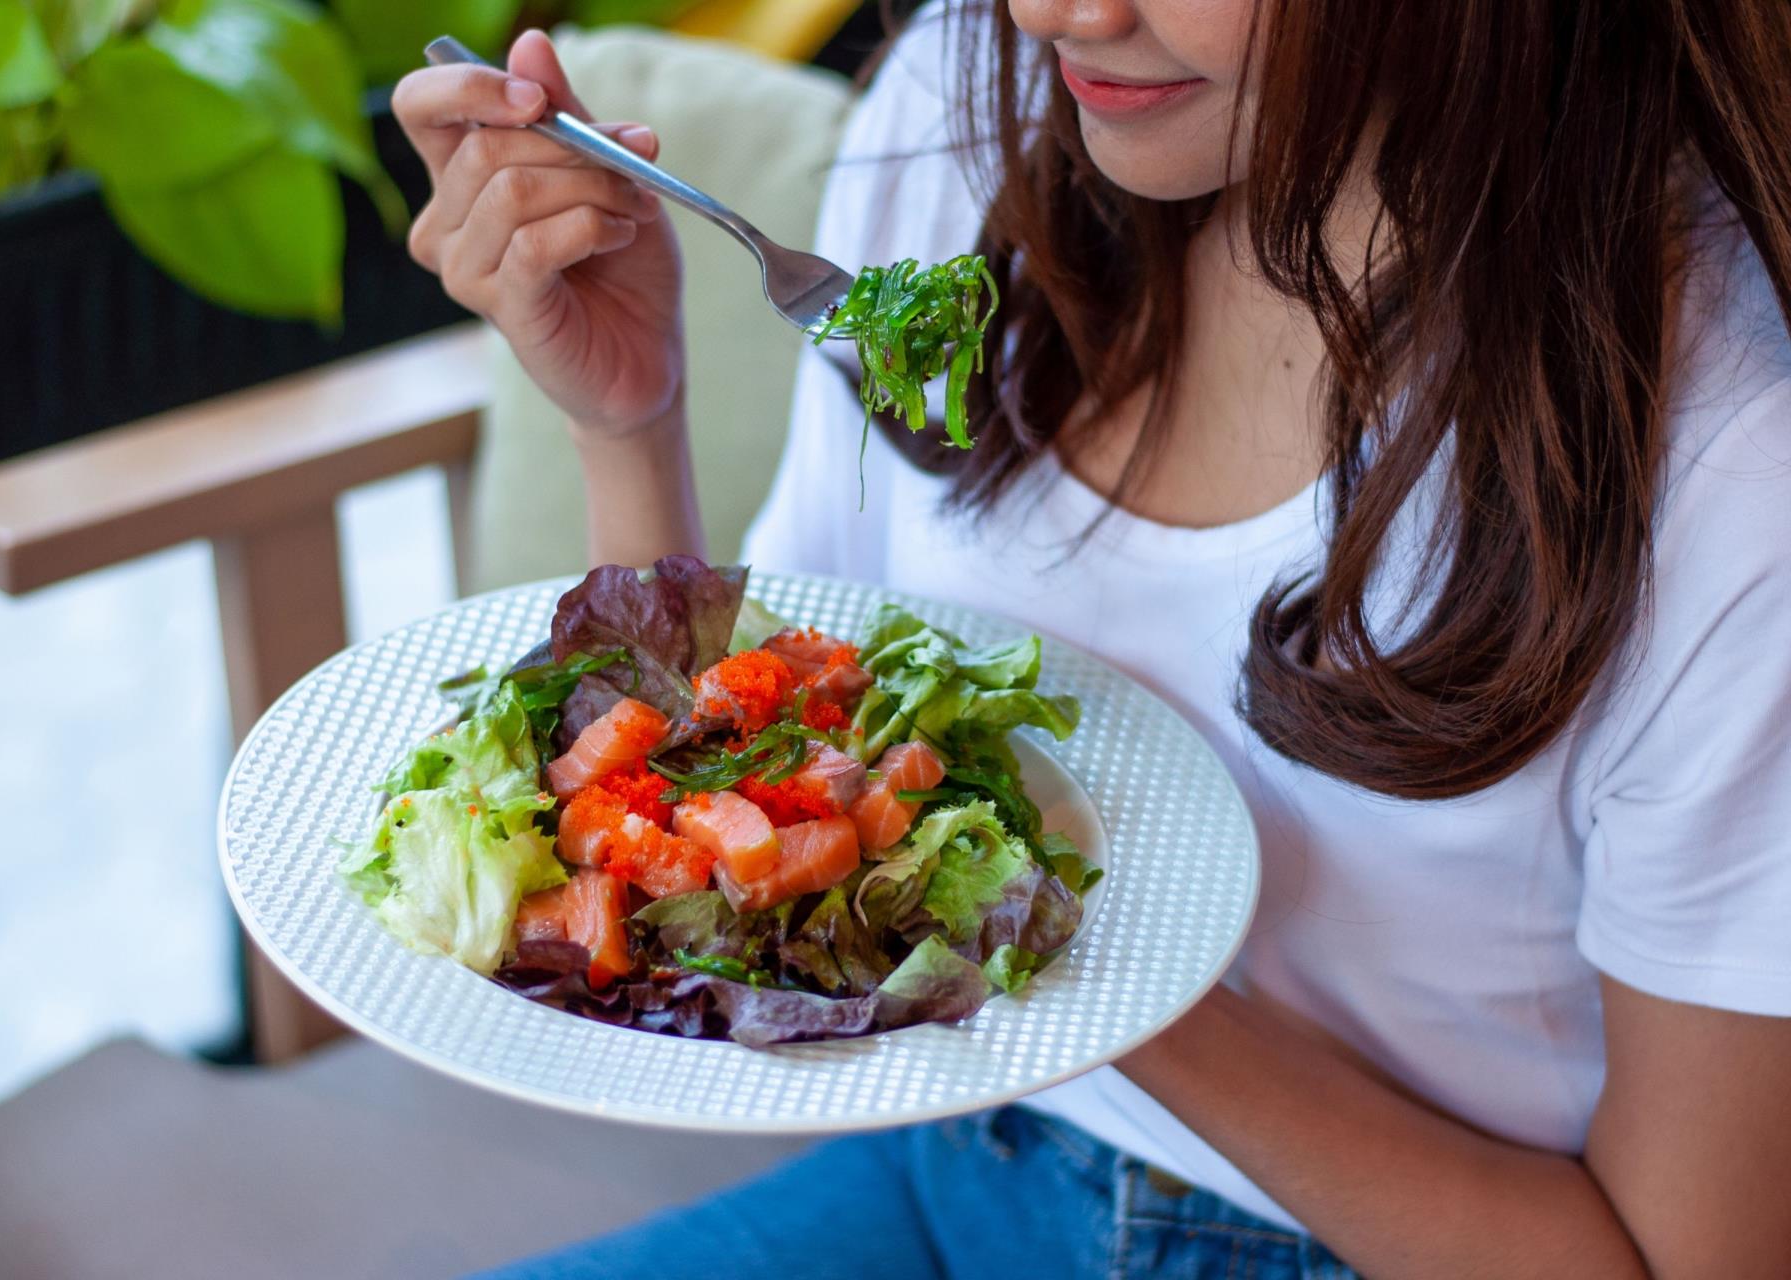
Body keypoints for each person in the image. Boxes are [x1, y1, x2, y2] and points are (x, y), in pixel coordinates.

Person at [392, 1, 1791, 1275]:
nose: (1056, 11)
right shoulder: (966, 103)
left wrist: (1074, 947)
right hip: (964, 1161)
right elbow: (749, 739)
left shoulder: (1725, 463)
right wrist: (626, 422)